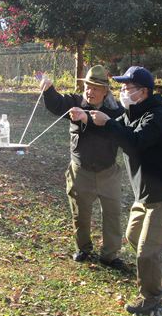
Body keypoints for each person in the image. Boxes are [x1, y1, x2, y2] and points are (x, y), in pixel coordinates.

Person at [70, 66, 162, 315]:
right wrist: (88, 117)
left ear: (143, 91)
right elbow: (114, 127)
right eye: (122, 87)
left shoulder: (157, 117)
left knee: (146, 253)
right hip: (144, 193)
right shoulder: (133, 112)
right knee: (134, 237)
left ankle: (151, 297)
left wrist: (107, 124)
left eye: (127, 88)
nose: (122, 91)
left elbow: (134, 142)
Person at [40, 65, 126, 268]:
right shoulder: (76, 102)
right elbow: (56, 104)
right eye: (88, 86)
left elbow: (116, 131)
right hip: (80, 172)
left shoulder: (116, 111)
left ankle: (110, 255)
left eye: (96, 88)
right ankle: (83, 248)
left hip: (108, 173)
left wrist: (87, 118)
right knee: (80, 214)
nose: (90, 91)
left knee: (112, 215)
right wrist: (48, 88)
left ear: (106, 91)